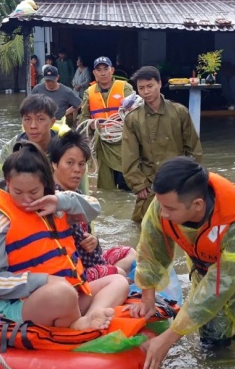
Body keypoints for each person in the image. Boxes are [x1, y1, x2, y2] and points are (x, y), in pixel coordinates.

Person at [129, 158, 235, 369]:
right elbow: (150, 250)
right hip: (207, 266)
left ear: (197, 205)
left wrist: (167, 338)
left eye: (170, 209)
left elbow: (221, 285)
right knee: (213, 345)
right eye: (161, 205)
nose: (162, 213)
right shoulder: (164, 204)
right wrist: (147, 297)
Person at [0, 142, 129, 330]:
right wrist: (43, 281)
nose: (26, 200)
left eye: (33, 192)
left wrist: (60, 200)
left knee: (118, 281)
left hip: (67, 296)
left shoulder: (54, 205)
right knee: (62, 292)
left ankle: (88, 319)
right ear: (7, 183)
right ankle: (78, 324)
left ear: (45, 185)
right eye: (17, 192)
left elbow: (94, 208)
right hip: (23, 304)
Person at [50, 131, 136, 281]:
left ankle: (117, 281)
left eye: (81, 164)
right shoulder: (53, 199)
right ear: (54, 164)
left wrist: (94, 241)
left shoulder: (78, 195)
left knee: (131, 253)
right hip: (75, 270)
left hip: (91, 261)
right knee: (121, 276)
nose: (77, 169)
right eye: (70, 163)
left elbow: (89, 241)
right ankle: (119, 283)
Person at [122, 65, 203, 223]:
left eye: (150, 86)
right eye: (141, 88)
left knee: (183, 226)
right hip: (150, 183)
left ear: (159, 83)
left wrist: (192, 180)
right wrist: (138, 184)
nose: (146, 92)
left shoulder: (179, 112)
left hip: (178, 181)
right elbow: (129, 156)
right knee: (143, 226)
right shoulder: (133, 119)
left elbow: (194, 149)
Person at [78, 56, 134, 191]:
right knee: (105, 186)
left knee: (126, 183)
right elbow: (83, 119)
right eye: (99, 70)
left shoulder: (125, 87)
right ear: (94, 73)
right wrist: (91, 125)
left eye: (106, 69)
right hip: (102, 142)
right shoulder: (89, 92)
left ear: (112, 70)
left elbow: (136, 113)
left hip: (123, 142)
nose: (103, 73)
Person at [0, 94, 61, 175]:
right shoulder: (11, 148)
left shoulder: (65, 148)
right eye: (27, 119)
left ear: (52, 122)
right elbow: (1, 183)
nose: (33, 126)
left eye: (40, 119)